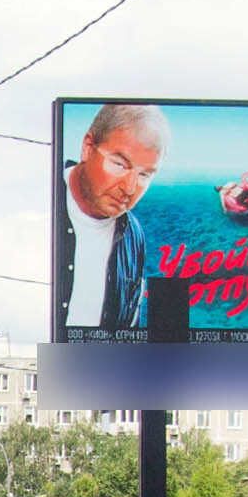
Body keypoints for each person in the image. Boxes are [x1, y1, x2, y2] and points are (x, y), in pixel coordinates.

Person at [54, 103, 168, 337]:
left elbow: (131, 329)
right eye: (119, 164)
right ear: (87, 147)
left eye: (144, 175)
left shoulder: (134, 234)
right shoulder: (45, 200)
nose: (129, 188)